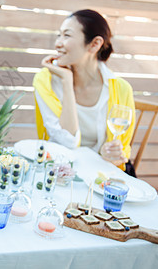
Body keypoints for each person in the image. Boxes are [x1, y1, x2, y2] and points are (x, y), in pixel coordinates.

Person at [33, 9, 135, 171]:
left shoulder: (121, 90)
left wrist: (111, 155)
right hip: (57, 169)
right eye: (59, 35)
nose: (58, 43)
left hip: (99, 174)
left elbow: (122, 151)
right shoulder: (45, 81)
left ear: (95, 44)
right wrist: (67, 81)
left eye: (67, 35)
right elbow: (67, 142)